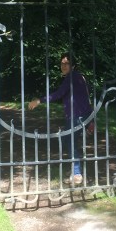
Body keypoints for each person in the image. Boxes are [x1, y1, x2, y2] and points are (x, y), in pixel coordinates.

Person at [29, 53, 92, 186]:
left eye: (66, 63)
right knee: (67, 140)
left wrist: (39, 100)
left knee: (69, 141)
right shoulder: (79, 77)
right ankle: (75, 169)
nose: (63, 66)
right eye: (62, 63)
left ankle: (77, 173)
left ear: (73, 66)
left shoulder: (72, 77)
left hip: (76, 116)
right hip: (82, 115)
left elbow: (58, 94)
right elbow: (86, 97)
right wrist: (90, 119)